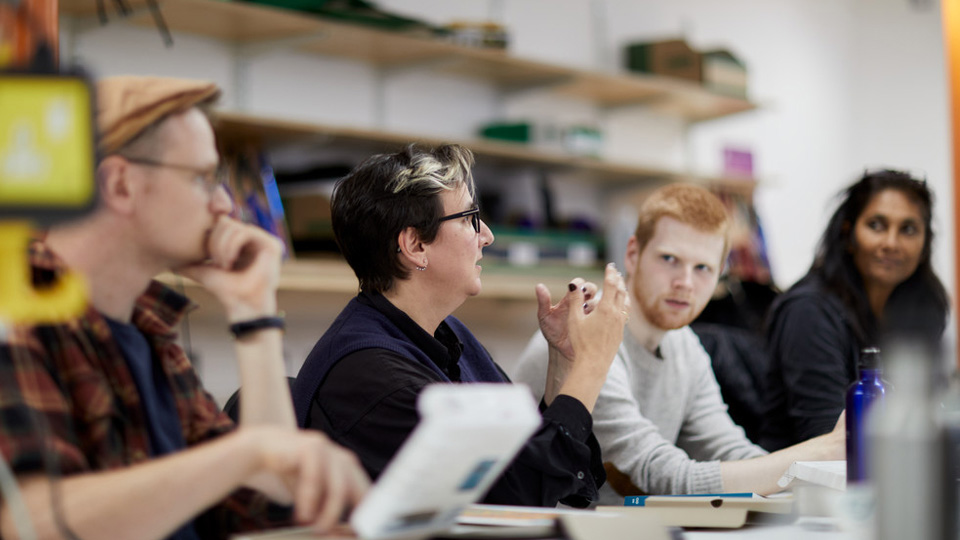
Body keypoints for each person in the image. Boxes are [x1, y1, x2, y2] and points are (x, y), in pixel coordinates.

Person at [0, 75, 369, 540]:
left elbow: (264, 500)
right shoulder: (16, 317)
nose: (224, 204)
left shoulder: (147, 330)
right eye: (201, 178)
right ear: (119, 185)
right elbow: (29, 520)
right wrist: (248, 452)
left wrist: (253, 310)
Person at [291, 144, 630, 508]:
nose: (487, 235)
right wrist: (593, 363)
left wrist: (567, 358)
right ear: (416, 245)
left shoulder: (446, 334)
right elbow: (519, 493)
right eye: (470, 218)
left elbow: (548, 471)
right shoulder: (373, 376)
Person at [512, 184, 844, 499]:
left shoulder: (686, 347)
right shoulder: (587, 334)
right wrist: (824, 450)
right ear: (633, 253)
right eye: (669, 259)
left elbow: (731, 452)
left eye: (703, 268)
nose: (685, 283)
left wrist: (814, 476)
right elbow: (661, 474)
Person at [761, 169, 949, 450]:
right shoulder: (808, 311)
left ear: (924, 245)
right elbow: (829, 437)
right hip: (800, 486)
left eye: (908, 229)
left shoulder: (926, 306)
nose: (891, 243)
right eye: (876, 225)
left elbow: (928, 415)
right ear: (848, 234)